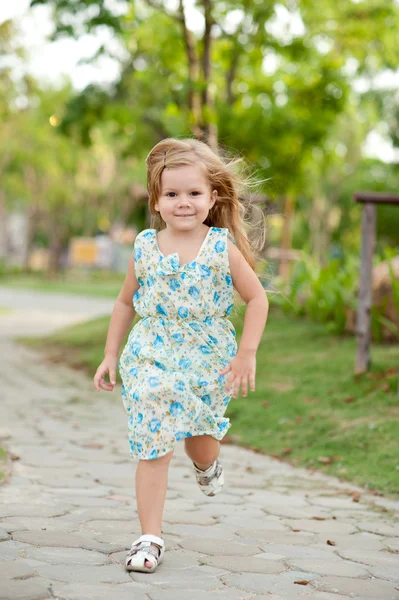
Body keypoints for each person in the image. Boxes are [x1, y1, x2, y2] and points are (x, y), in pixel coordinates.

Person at [93, 137, 269, 573]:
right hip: (152, 354)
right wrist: (110, 354)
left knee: (200, 441)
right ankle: (149, 538)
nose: (183, 203)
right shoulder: (145, 247)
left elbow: (258, 299)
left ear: (213, 197)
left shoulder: (220, 248)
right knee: (153, 442)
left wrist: (247, 353)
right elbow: (123, 303)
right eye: (172, 194)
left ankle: (207, 465)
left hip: (208, 358)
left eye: (193, 193)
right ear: (156, 199)